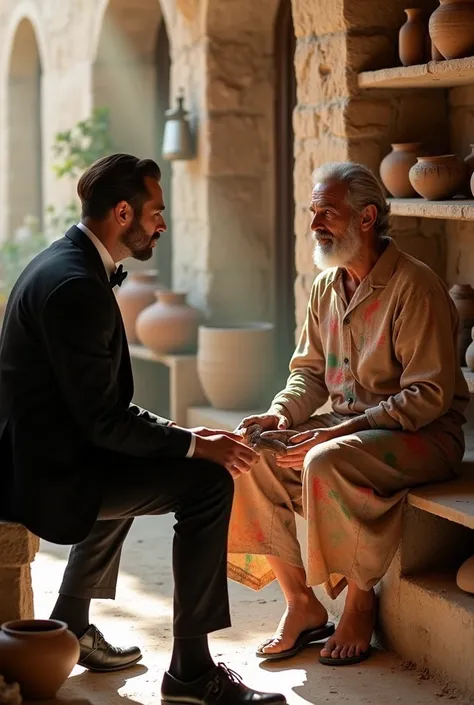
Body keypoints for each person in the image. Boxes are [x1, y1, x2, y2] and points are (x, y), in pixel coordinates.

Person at [0, 153, 286, 705]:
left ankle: (71, 623)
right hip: (45, 477)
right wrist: (195, 443)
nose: (163, 223)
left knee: (155, 458)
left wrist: (180, 440)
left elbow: (97, 413)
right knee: (206, 485)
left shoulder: (65, 263)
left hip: (50, 454)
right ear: (124, 212)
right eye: (156, 211)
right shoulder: (75, 286)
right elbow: (104, 420)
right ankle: (191, 673)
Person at [228, 161, 470, 667]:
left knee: (325, 460)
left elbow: (428, 396)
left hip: (424, 438)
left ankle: (360, 600)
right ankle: (301, 604)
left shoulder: (414, 287)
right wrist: (279, 416)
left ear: (367, 217)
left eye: (327, 213)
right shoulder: (326, 286)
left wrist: (337, 432)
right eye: (313, 212)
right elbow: (309, 374)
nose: (316, 223)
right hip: (351, 431)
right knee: (247, 452)